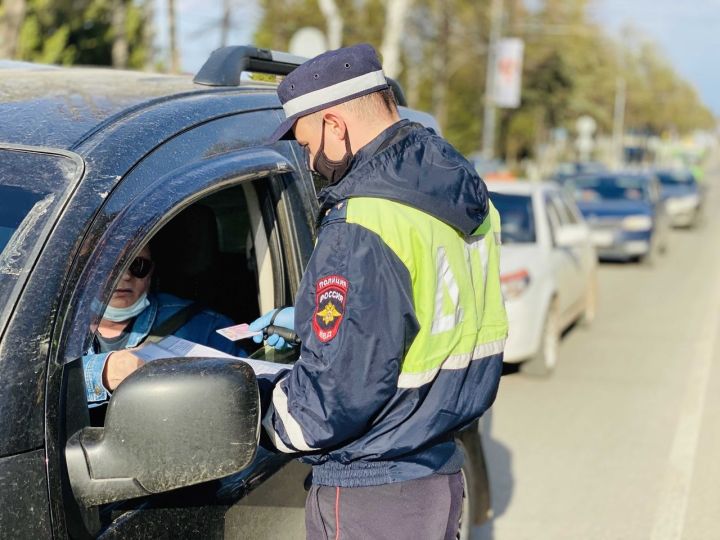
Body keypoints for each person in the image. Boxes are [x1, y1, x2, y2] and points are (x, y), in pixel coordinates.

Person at [249, 44, 508, 539]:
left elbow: (329, 405)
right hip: (437, 473)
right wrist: (309, 318)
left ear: (335, 126)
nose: (309, 161)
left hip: (372, 494)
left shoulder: (364, 220)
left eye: (306, 145)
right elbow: (425, 306)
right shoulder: (455, 188)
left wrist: (255, 410)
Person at [82, 244, 245, 407]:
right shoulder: (58, 326)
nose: (125, 275)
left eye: (138, 265)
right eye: (109, 265)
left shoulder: (205, 327)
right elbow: (55, 381)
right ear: (85, 271)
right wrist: (103, 373)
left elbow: (246, 391)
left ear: (151, 272)